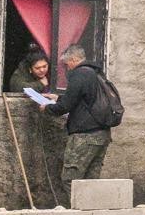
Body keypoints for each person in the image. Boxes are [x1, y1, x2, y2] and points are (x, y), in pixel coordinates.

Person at [43, 44, 113, 204]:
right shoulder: (96, 73)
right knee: (90, 181)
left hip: (84, 136)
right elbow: (83, 101)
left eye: (67, 65)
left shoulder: (79, 74)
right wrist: (57, 98)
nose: (67, 69)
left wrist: (47, 108)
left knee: (71, 179)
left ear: (74, 60)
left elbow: (65, 107)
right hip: (102, 135)